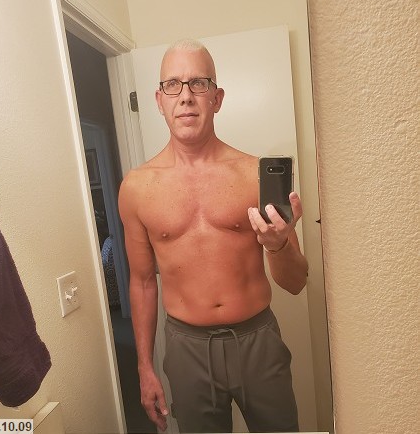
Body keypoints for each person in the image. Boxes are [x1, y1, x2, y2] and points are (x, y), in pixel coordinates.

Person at [118, 38, 308, 433]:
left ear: (216, 99)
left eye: (199, 83)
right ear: (159, 100)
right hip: (186, 348)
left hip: (257, 340)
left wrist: (277, 246)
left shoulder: (253, 174)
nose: (186, 96)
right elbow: (142, 282)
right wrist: (144, 368)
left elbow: (295, 282)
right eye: (173, 85)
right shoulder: (136, 188)